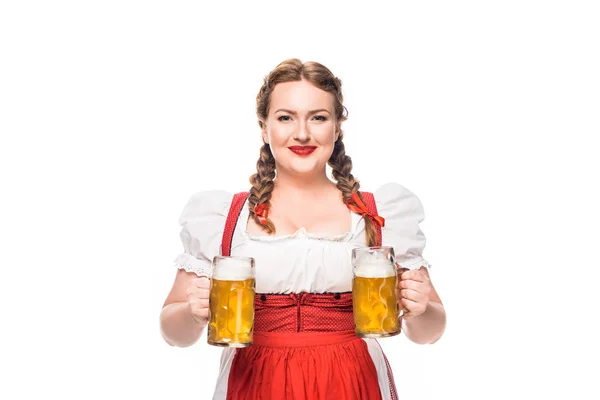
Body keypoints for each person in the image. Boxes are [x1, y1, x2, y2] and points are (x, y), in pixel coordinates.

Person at [160, 58, 446, 400]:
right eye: (285, 118)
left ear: (337, 128)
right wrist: (193, 314)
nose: (302, 133)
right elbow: (173, 333)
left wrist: (420, 309)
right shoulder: (223, 216)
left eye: (318, 118)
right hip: (254, 385)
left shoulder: (378, 213)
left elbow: (429, 332)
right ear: (264, 128)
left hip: (353, 382)